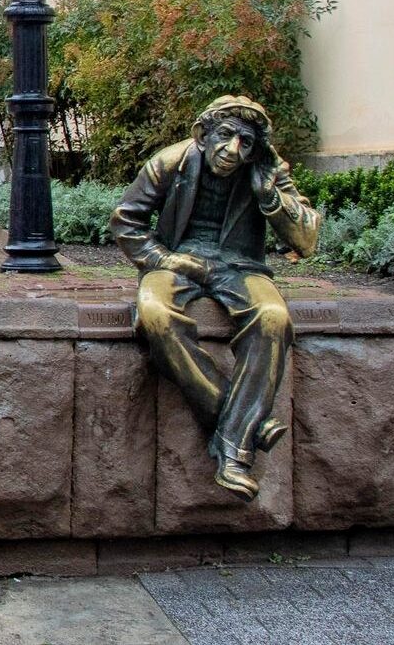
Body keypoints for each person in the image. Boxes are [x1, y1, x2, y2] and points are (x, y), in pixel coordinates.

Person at [108, 96, 320, 500]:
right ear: (202, 135)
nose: (233, 150)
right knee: (154, 313)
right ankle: (245, 429)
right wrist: (165, 258)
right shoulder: (170, 161)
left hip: (240, 267)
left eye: (245, 142)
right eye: (225, 136)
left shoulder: (267, 170)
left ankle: (233, 445)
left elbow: (307, 240)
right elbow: (126, 220)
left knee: (274, 317)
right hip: (176, 261)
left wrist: (270, 197)